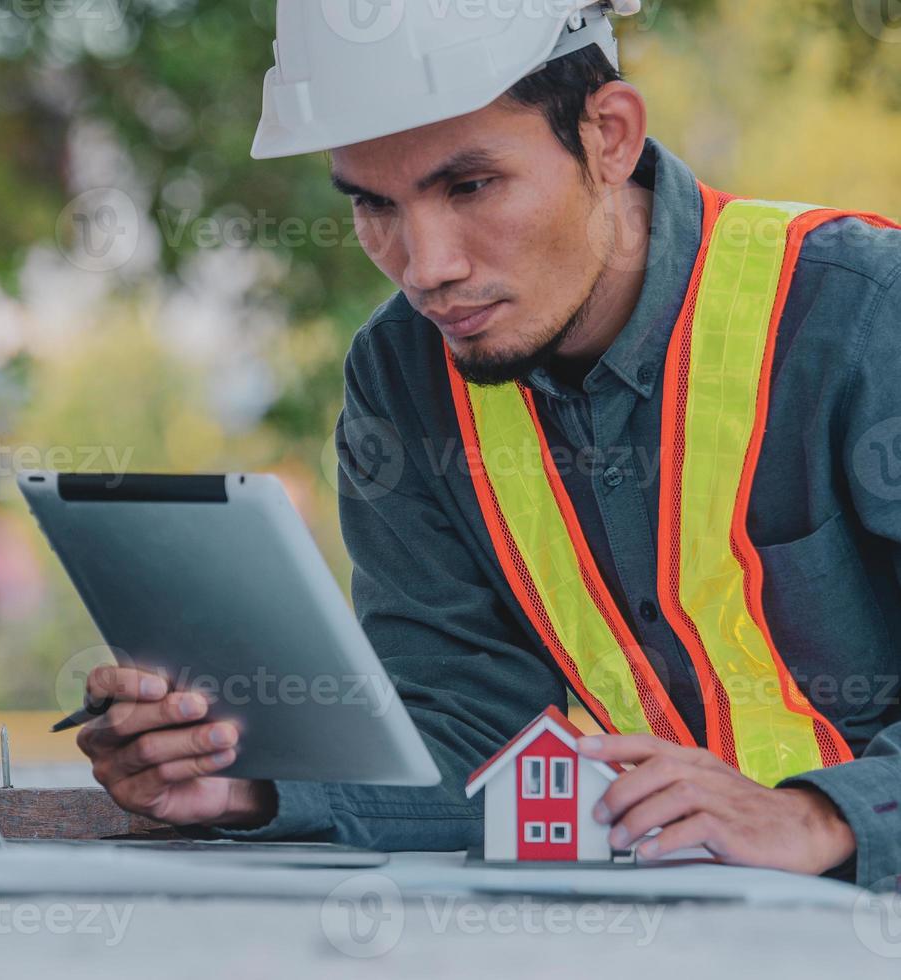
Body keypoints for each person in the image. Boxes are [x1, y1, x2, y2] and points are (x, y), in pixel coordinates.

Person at [75, 0, 901, 885]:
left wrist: (820, 816)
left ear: (610, 135)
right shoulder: (403, 382)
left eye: (469, 187)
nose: (426, 267)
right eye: (374, 205)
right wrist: (247, 780)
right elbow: (476, 738)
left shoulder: (863, 312)